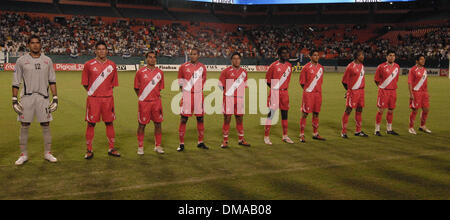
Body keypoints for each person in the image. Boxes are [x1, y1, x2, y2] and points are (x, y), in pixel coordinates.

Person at [12, 35, 59, 165]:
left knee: (45, 124)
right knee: (24, 125)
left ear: (41, 45)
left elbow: (52, 81)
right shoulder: (21, 60)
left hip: (43, 97)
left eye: (37, 43)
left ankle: (47, 153)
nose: (35, 45)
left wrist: (55, 98)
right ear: (28, 45)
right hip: (27, 97)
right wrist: (14, 100)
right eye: (32, 43)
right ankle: (23, 154)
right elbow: (16, 82)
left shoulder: (47, 60)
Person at [82, 41, 120, 159]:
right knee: (91, 124)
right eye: (99, 49)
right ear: (95, 51)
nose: (101, 51)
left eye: (103, 49)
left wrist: (105, 92)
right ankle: (89, 150)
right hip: (93, 99)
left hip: (108, 99)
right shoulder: (88, 64)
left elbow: (113, 84)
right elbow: (85, 83)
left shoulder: (112, 65)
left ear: (107, 51)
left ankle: (111, 148)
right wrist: (94, 92)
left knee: (109, 123)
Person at [177, 48, 208, 152]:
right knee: (183, 119)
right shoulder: (183, 67)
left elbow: (204, 79)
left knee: (200, 119)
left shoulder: (202, 67)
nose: (193, 56)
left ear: (198, 55)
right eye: (191, 54)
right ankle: (181, 144)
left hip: (199, 96)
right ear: (189, 55)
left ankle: (200, 142)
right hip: (187, 96)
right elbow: (180, 81)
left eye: (195, 54)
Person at [134, 51, 165, 155]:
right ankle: (140, 147)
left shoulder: (160, 73)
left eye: (154, 57)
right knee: (142, 125)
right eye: (150, 57)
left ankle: (158, 146)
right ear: (146, 59)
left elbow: (160, 88)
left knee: (158, 124)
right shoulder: (140, 72)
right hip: (144, 103)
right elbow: (136, 88)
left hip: (156, 102)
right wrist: (143, 97)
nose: (152, 59)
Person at [218, 52, 251, 148]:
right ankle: (225, 141)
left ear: (240, 60)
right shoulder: (226, 71)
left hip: (239, 99)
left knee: (240, 119)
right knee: (227, 119)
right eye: (234, 59)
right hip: (228, 99)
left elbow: (244, 85)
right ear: (231, 60)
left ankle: (241, 139)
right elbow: (220, 85)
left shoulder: (244, 72)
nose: (236, 60)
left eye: (238, 58)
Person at [264, 47, 294, 145]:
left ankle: (285, 136)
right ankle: (266, 137)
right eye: (283, 53)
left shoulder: (289, 66)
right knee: (271, 115)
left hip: (285, 93)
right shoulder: (273, 66)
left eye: (287, 53)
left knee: (285, 115)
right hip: (275, 92)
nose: (286, 55)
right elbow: (268, 81)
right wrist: (275, 89)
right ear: (279, 54)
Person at [299, 50, 326, 143]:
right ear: (310, 56)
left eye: (318, 55)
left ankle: (315, 133)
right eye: (314, 55)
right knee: (305, 113)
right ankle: (301, 134)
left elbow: (320, 82)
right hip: (308, 94)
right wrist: (308, 90)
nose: (317, 57)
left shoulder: (321, 68)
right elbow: (302, 82)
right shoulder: (306, 67)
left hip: (318, 94)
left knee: (316, 113)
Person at [341, 50, 369, 138]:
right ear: (357, 56)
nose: (363, 56)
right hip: (353, 92)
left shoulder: (362, 66)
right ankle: (343, 132)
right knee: (348, 110)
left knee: (359, 110)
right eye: (361, 55)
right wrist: (348, 90)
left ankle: (358, 131)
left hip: (361, 92)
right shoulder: (350, 66)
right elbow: (344, 81)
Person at [374, 50, 400, 136]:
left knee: (391, 110)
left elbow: (396, 79)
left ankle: (389, 129)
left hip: (393, 91)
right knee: (381, 110)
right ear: (386, 57)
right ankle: (377, 130)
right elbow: (376, 80)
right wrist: (382, 87)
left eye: (393, 55)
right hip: (383, 91)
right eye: (390, 55)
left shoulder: (397, 67)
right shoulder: (381, 67)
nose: (392, 57)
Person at [408, 55, 431, 135]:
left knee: (426, 109)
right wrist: (411, 94)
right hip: (416, 92)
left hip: (424, 93)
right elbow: (410, 82)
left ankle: (422, 126)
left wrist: (427, 93)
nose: (423, 61)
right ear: (417, 61)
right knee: (415, 110)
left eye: (424, 59)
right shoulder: (413, 70)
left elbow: (425, 83)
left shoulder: (424, 70)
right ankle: (411, 127)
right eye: (421, 59)